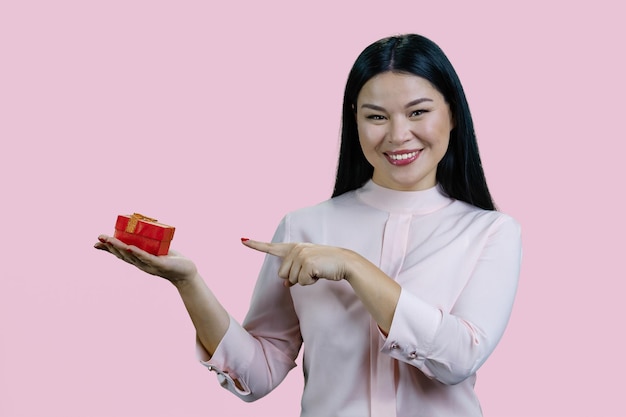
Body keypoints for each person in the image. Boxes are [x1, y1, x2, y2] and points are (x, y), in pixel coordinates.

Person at [95, 33, 522, 417]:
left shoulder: (490, 232)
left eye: (418, 112)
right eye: (376, 117)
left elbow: (458, 358)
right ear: (354, 121)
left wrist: (353, 265)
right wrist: (188, 282)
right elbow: (259, 372)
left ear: (452, 114)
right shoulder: (305, 226)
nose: (397, 134)